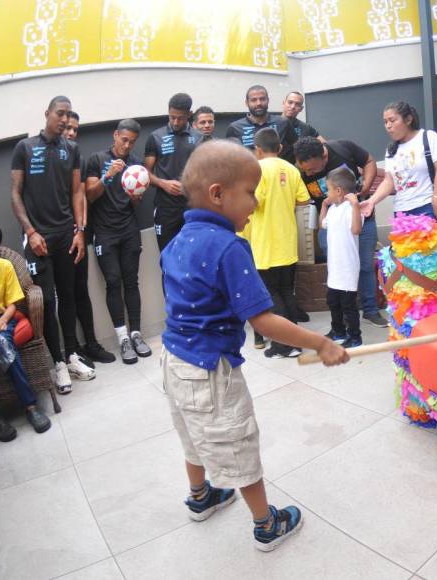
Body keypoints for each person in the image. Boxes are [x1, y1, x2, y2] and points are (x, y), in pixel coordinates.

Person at [160, 139, 348, 551]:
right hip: (210, 370)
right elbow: (262, 320)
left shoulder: (175, 242)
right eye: (250, 192)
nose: (256, 200)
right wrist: (321, 343)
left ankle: (201, 496)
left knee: (192, 433)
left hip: (174, 361)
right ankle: (266, 523)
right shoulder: (229, 247)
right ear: (217, 194)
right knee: (237, 444)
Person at [10, 95, 96, 394]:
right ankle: (57, 362)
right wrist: (31, 232)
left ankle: (71, 355)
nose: (63, 119)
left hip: (66, 235)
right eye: (59, 113)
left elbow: (77, 192)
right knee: (46, 301)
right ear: (47, 113)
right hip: (38, 238)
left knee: (69, 295)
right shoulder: (25, 148)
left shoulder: (71, 149)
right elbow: (16, 194)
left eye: (68, 115)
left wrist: (79, 231)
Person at [293, 136, 388, 328]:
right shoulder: (301, 169)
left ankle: (370, 310)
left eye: (311, 169)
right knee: (337, 270)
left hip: (361, 218)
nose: (308, 173)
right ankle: (345, 313)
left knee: (366, 266)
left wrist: (365, 189)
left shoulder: (343, 148)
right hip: (332, 226)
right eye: (305, 170)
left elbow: (369, 161)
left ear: (323, 156)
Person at [238, 128, 310, 358]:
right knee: (287, 292)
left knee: (271, 295)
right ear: (279, 148)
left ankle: (283, 346)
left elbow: (253, 202)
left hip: (265, 244)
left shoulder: (257, 169)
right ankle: (295, 343)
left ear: (257, 149)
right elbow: (304, 200)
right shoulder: (291, 168)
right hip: (287, 241)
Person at [85, 119, 152, 364]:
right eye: (124, 140)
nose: (127, 145)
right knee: (113, 283)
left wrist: (137, 194)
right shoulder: (96, 159)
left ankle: (136, 334)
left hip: (129, 229)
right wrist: (108, 176)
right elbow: (90, 195)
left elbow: (135, 202)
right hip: (104, 232)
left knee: (131, 282)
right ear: (115, 135)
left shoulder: (136, 163)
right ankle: (122, 338)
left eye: (132, 142)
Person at [62, 111, 116, 366]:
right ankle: (71, 351)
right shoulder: (45, 158)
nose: (71, 133)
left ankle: (91, 344)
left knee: (81, 292)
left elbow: (82, 196)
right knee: (65, 295)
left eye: (75, 129)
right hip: (53, 238)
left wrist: (80, 230)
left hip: (78, 234)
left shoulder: (80, 160)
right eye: (67, 128)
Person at [0, 226, 52, 442]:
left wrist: (2, 321)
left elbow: (12, 305)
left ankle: (30, 405)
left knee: (5, 347)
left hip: (4, 318)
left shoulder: (5, 266)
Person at [361, 101, 437, 222]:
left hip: (427, 206)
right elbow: (389, 181)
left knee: (429, 241)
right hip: (401, 211)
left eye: (392, 120)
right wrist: (371, 201)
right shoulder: (391, 150)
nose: (388, 126)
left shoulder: (428, 137)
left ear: (408, 120)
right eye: (385, 122)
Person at [144, 92, 203, 252]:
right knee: (167, 256)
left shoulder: (200, 138)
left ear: (189, 115)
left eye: (180, 118)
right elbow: (145, 173)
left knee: (193, 256)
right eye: (172, 117)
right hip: (165, 208)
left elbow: (207, 173)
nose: (175, 122)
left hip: (193, 206)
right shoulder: (156, 137)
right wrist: (163, 184)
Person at [320, 167, 363, 348]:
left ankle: (355, 337)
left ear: (338, 191)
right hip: (335, 267)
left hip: (347, 267)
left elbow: (356, 230)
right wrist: (323, 206)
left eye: (328, 189)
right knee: (333, 302)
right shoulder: (333, 209)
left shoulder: (350, 209)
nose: (326, 192)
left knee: (348, 306)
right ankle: (338, 331)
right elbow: (323, 225)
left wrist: (355, 205)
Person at [226, 85, 294, 152]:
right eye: (253, 100)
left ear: (268, 100)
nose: (259, 103)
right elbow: (230, 156)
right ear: (247, 103)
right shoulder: (235, 128)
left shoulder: (283, 123)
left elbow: (296, 150)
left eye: (262, 99)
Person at [279, 91, 324, 164]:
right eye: (290, 102)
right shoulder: (272, 123)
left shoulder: (305, 127)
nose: (293, 106)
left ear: (301, 108)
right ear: (284, 103)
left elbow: (325, 145)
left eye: (297, 104)